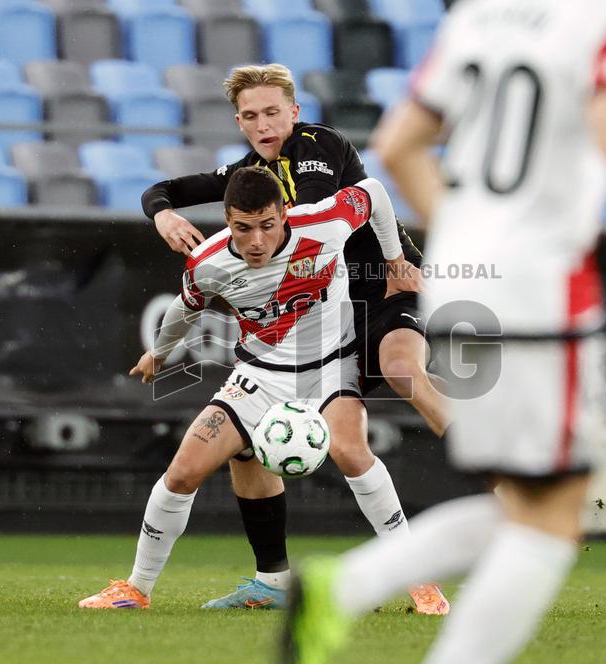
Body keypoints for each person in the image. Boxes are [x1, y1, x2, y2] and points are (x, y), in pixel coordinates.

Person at [282, 1, 606, 662]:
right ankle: (357, 594)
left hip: (467, 282)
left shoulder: (477, 16)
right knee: (558, 516)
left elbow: (399, 146)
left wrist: (470, 235)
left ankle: (344, 586)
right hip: (540, 285)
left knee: (534, 501)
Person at [141, 64, 449, 614]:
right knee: (237, 457)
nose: (264, 124)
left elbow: (332, 209)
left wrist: (396, 259)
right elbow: (164, 190)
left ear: (295, 112)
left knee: (396, 379)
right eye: (252, 115)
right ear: (239, 122)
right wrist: (163, 216)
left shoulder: (314, 152)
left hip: (381, 284)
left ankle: (492, 467)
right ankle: (269, 581)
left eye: (273, 112)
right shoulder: (244, 180)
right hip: (303, 328)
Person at [79, 167, 441, 612]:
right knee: (183, 472)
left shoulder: (323, 222)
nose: (255, 241)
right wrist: (160, 352)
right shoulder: (209, 261)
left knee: (350, 450)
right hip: (259, 376)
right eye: (242, 227)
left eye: (267, 226)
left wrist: (393, 260)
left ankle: (419, 582)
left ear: (285, 214)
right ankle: (136, 589)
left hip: (331, 367)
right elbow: (186, 306)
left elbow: (375, 191)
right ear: (227, 220)